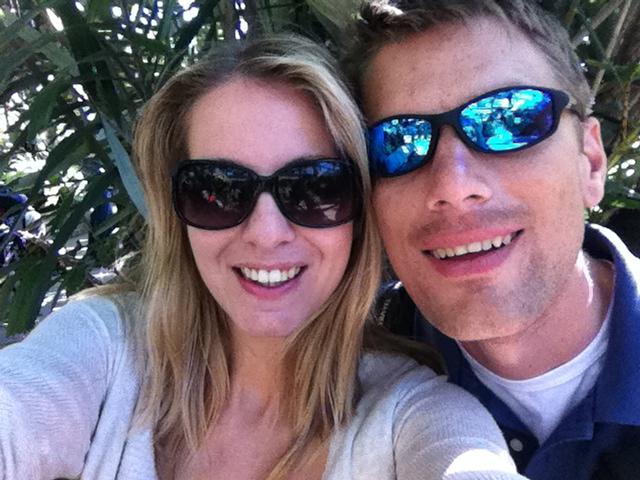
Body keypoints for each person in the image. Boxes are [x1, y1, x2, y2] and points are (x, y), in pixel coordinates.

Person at [0, 34, 526, 479]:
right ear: (175, 210)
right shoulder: (107, 347)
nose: (266, 234)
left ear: (360, 213)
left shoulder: (410, 416)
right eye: (217, 190)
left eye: (315, 187)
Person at [343, 1, 640, 479]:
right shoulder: (343, 368)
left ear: (590, 163)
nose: (453, 186)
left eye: (509, 121)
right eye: (396, 144)